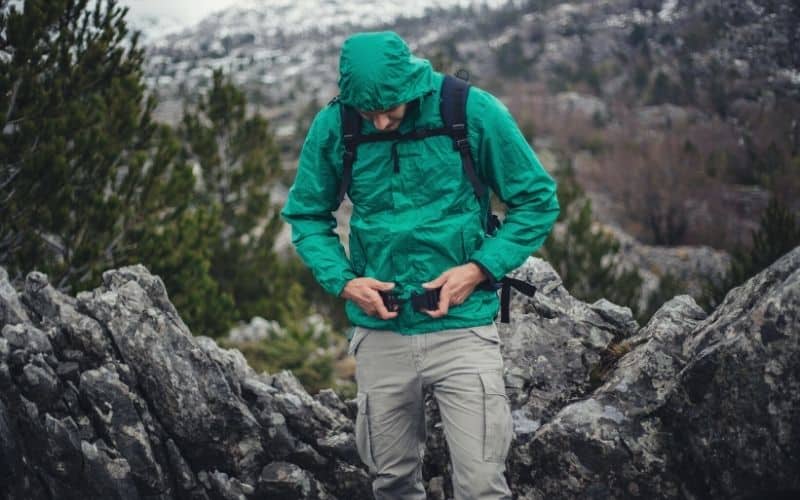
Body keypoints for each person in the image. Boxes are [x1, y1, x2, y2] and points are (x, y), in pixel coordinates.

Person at [281, 31, 559, 500]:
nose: (382, 121)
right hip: (381, 331)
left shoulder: (470, 111)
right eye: (370, 113)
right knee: (391, 485)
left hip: (463, 328)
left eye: (391, 108)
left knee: (481, 487)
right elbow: (306, 215)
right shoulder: (337, 125)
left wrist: (478, 269)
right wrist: (345, 282)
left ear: (411, 83)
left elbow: (537, 200)